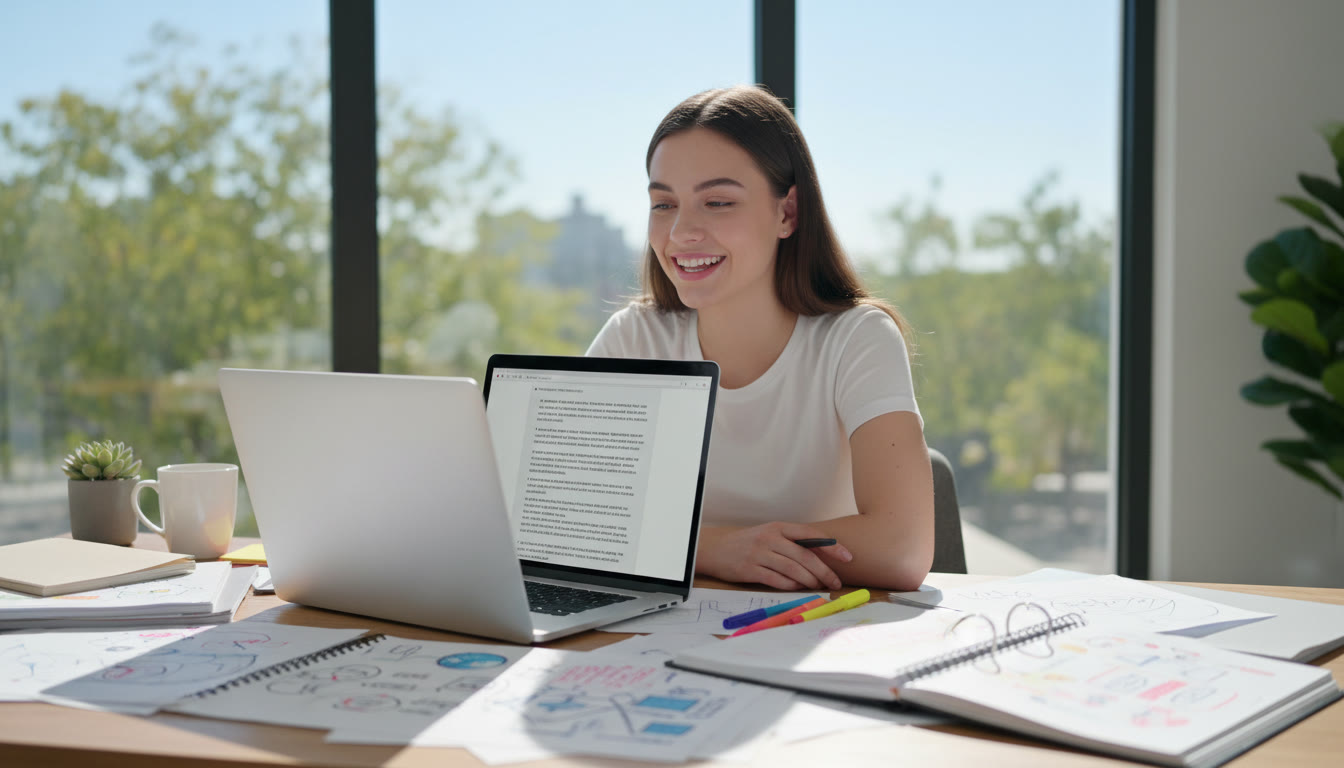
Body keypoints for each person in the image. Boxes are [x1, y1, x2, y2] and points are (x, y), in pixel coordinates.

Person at [587, 85, 934, 593]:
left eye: (718, 201)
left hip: (804, 637)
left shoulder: (857, 339)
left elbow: (901, 545)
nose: (682, 231)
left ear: (787, 213)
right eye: (664, 205)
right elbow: (559, 523)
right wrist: (712, 549)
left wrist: (670, 547)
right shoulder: (634, 337)